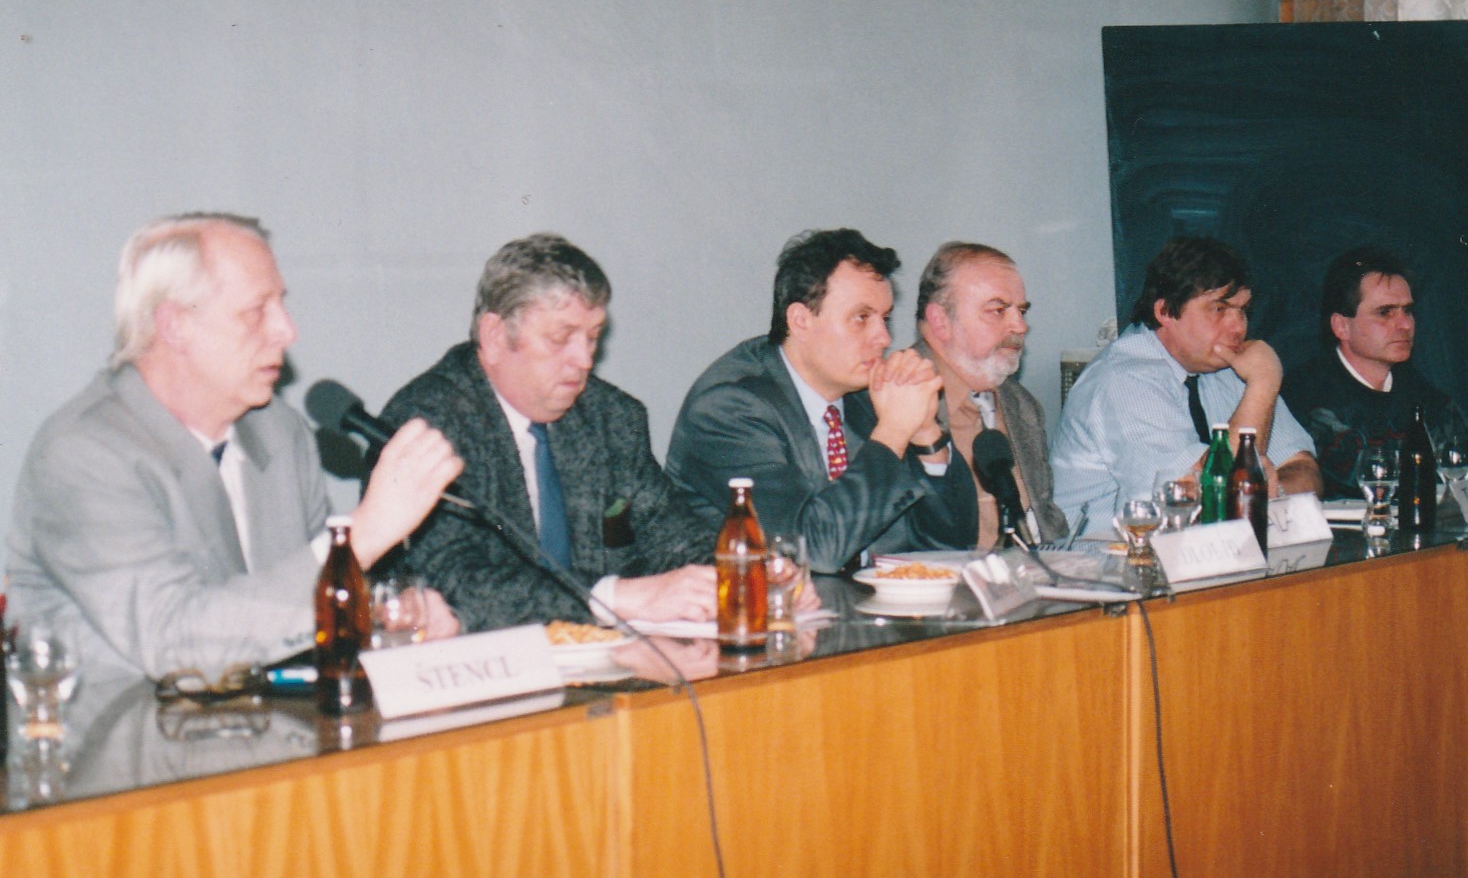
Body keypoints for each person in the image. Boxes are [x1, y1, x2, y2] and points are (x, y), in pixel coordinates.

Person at [6, 213, 463, 681]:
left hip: (269, 720)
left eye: (281, 305)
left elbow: (293, 614)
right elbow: (175, 641)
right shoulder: (83, 454)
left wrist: (386, 619)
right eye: (256, 310)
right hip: (117, 723)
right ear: (175, 325)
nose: (287, 330)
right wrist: (360, 537)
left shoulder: (280, 434)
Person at [379, 233, 728, 633]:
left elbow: (674, 536)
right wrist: (616, 598)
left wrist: (743, 575)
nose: (584, 360)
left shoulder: (612, 417)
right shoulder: (427, 425)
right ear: (495, 336)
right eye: (561, 338)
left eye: (593, 338)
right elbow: (454, 581)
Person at [665, 228, 977, 573]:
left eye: (885, 318)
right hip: (751, 603)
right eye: (861, 318)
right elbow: (811, 549)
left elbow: (952, 546)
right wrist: (893, 431)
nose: (883, 338)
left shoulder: (868, 397)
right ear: (800, 321)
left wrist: (925, 434)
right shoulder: (727, 408)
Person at [1051, 235, 1321, 534]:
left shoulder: (1226, 368)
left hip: (1198, 553)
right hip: (1100, 559)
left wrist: (1272, 492)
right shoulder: (1121, 380)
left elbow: (1304, 469)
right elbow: (1203, 501)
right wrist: (1263, 384)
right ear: (1165, 311)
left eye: (1243, 310)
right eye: (1219, 309)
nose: (1238, 327)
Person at [913, 242, 1068, 547]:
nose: (1020, 326)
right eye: (998, 310)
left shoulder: (1022, 405)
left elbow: (1046, 523)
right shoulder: (886, 401)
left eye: (1021, 311)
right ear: (940, 321)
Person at [1281, 246, 1466, 500]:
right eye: (1385, 312)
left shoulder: (1429, 398)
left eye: (1407, 311)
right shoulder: (1301, 396)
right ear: (1341, 326)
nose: (1405, 324)